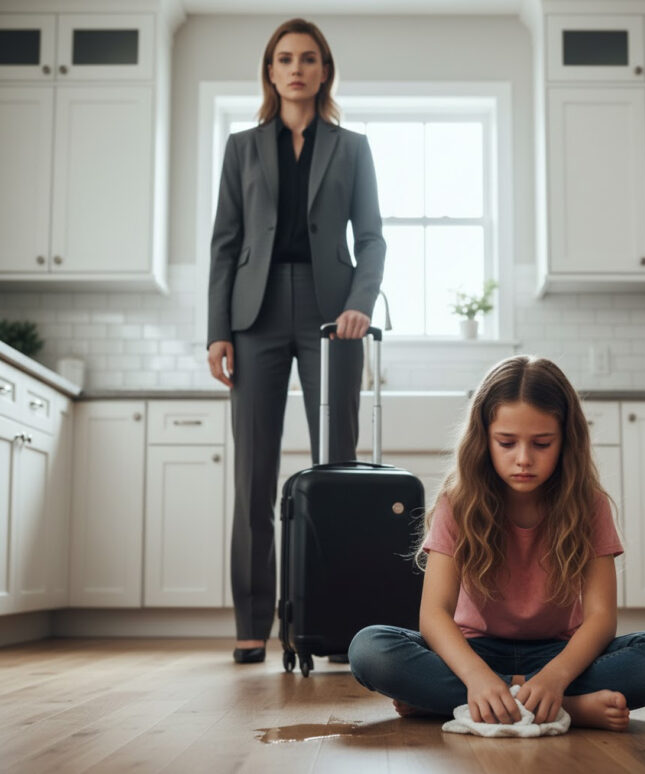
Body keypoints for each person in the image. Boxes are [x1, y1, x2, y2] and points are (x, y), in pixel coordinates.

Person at [348, 356, 645, 730]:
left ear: (565, 441)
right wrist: (477, 676)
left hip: (560, 655)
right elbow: (434, 616)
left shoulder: (589, 505)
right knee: (371, 649)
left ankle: (465, 703)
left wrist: (556, 677)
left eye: (542, 443)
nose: (524, 459)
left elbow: (600, 618)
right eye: (507, 443)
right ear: (484, 440)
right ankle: (567, 709)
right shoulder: (458, 502)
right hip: (474, 653)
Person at [207, 18, 385, 664]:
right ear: (271, 71)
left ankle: (332, 620)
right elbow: (225, 246)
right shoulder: (241, 148)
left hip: (330, 314)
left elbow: (371, 238)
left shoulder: (353, 147)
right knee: (253, 478)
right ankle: (252, 622)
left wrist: (360, 305)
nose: (296, 69)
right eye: (285, 59)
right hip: (252, 318)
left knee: (333, 471)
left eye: (308, 59)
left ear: (324, 71)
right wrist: (216, 332)